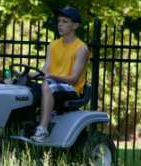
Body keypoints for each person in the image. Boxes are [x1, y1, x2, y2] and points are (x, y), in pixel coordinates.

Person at [31, 6, 91, 142]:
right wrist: (22, 74)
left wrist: (51, 76)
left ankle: (42, 129)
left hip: (72, 89)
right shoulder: (52, 46)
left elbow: (73, 79)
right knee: (26, 87)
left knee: (48, 85)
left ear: (75, 25)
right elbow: (44, 71)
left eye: (65, 21)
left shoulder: (81, 48)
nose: (60, 24)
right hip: (52, 83)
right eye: (59, 21)